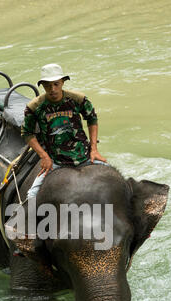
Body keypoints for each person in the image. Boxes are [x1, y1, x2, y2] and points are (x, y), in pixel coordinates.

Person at [21, 63, 109, 199]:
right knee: (32, 196)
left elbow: (92, 119)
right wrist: (44, 156)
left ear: (63, 82)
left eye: (56, 84)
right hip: (56, 162)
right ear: (43, 86)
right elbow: (27, 133)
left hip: (84, 156)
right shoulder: (35, 107)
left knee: (114, 180)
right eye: (47, 85)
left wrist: (94, 149)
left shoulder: (78, 99)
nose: (52, 89)